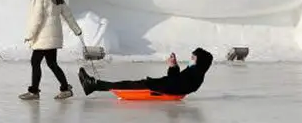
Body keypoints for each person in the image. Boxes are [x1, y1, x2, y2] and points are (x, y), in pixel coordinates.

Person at [19, 0, 84, 100]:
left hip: (43, 37)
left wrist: (30, 35)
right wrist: (77, 30)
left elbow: (38, 17)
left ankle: (34, 91)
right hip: (53, 37)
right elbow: (68, 14)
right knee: (52, 63)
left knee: (35, 61)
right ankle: (65, 88)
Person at [78, 47, 213, 97]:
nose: (191, 60)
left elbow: (176, 83)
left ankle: (93, 84)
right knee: (125, 84)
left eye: (193, 58)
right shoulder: (194, 72)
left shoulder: (196, 75)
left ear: (200, 61)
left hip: (158, 88)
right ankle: (93, 84)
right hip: (159, 86)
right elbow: (177, 80)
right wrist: (174, 65)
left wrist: (172, 67)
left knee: (124, 86)